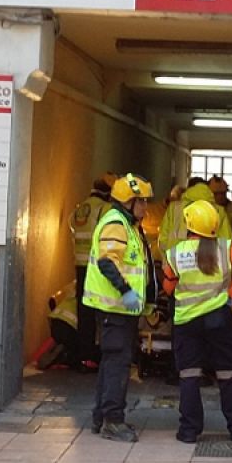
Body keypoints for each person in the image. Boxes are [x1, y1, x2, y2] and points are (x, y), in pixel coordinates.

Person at [161, 199, 232, 444]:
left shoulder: (175, 253)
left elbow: (168, 286)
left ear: (189, 225)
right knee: (227, 372)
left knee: (190, 375)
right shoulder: (227, 248)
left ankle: (189, 430)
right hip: (219, 319)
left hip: (187, 323)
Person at [85, 173, 158, 443]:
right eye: (142, 202)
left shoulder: (129, 225)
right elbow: (108, 262)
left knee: (111, 362)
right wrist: (126, 291)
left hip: (121, 310)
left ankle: (101, 416)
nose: (146, 207)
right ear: (128, 202)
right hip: (114, 308)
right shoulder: (116, 224)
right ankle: (113, 421)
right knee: (117, 363)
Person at [69, 172, 117, 369]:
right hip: (97, 266)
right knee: (102, 311)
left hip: (80, 265)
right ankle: (97, 355)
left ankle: (83, 355)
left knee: (84, 312)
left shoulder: (80, 209)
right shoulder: (104, 209)